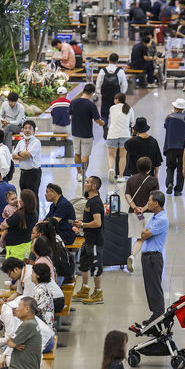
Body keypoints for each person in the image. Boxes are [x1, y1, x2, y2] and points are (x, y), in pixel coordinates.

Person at [72, 176, 105, 305]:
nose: (86, 184)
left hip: (95, 241)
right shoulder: (90, 201)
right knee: (84, 264)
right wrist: (82, 222)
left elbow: (97, 223)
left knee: (96, 267)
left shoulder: (95, 203)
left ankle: (98, 293)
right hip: (88, 240)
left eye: (88, 182)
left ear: (94, 186)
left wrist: (83, 225)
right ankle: (85, 289)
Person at [125, 157, 160, 273]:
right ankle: (151, 263)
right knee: (150, 238)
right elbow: (154, 199)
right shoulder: (153, 181)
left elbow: (127, 196)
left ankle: (132, 256)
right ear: (150, 168)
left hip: (133, 214)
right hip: (149, 214)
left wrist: (135, 207)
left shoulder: (131, 180)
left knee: (139, 238)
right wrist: (143, 209)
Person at [138, 191, 168, 323]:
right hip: (147, 257)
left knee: (155, 288)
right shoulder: (154, 217)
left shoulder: (162, 219)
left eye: (149, 201)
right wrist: (144, 232)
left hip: (153, 258)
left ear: (156, 203)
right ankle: (155, 315)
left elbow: (144, 235)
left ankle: (159, 316)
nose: (147, 203)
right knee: (149, 288)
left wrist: (144, 232)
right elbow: (143, 232)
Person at [69, 84, 105, 180]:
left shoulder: (74, 102)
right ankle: (84, 175)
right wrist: (102, 123)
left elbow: (70, 116)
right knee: (85, 155)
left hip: (75, 132)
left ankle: (79, 173)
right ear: (92, 93)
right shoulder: (91, 105)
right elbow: (97, 120)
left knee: (77, 153)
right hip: (87, 134)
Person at [163, 99, 185, 196]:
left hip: (170, 146)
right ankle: (178, 190)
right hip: (182, 147)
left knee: (170, 167)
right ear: (183, 109)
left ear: (175, 107)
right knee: (181, 168)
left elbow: (166, 126)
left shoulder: (168, 117)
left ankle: (169, 183)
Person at [96, 53, 128, 136]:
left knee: (104, 113)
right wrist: (122, 94)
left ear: (108, 60)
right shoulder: (120, 71)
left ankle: (105, 126)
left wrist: (100, 93)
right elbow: (124, 84)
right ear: (117, 61)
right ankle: (115, 131)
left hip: (105, 96)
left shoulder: (103, 71)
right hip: (117, 97)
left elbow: (98, 83)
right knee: (117, 114)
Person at [1, 189, 38, 260]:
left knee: (13, 267)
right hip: (27, 244)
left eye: (21, 198)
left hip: (15, 245)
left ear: (24, 201)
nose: (19, 200)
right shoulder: (35, 213)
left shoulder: (19, 214)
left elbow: (3, 226)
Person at [107, 93, 135, 182]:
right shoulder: (129, 108)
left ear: (117, 99)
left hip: (112, 134)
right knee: (123, 156)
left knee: (112, 155)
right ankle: (120, 176)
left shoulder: (112, 108)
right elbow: (132, 123)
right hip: (125, 134)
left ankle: (111, 169)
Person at [13, 120, 43, 200]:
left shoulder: (36, 142)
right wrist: (23, 154)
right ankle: (25, 212)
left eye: (30, 128)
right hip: (23, 173)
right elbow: (14, 156)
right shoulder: (20, 142)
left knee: (33, 197)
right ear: (22, 130)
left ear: (33, 131)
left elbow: (28, 154)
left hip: (33, 173)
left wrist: (20, 153)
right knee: (23, 196)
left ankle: (35, 212)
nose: (27, 130)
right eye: (25, 128)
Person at [31, 263, 55, 329]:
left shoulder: (39, 290)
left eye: (33, 273)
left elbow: (36, 309)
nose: (31, 275)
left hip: (43, 326)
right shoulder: (45, 287)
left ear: (38, 276)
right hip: (48, 323)